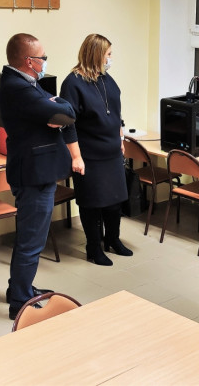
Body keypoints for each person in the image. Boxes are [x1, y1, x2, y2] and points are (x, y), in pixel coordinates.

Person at [0, 33, 76, 320]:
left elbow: (59, 109)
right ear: (29, 61)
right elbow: (66, 111)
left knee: (31, 238)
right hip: (33, 174)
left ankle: (19, 289)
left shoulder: (27, 84)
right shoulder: (18, 87)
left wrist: (57, 107)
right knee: (31, 242)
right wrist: (58, 107)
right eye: (43, 58)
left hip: (36, 170)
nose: (45, 62)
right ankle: (20, 302)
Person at [60, 34, 132, 266]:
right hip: (89, 155)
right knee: (92, 203)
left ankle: (113, 239)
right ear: (96, 54)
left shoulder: (106, 79)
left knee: (114, 201)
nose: (110, 58)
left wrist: (120, 138)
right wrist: (76, 157)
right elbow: (67, 124)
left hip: (111, 153)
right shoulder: (72, 83)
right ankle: (93, 248)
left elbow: (116, 112)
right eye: (108, 54)